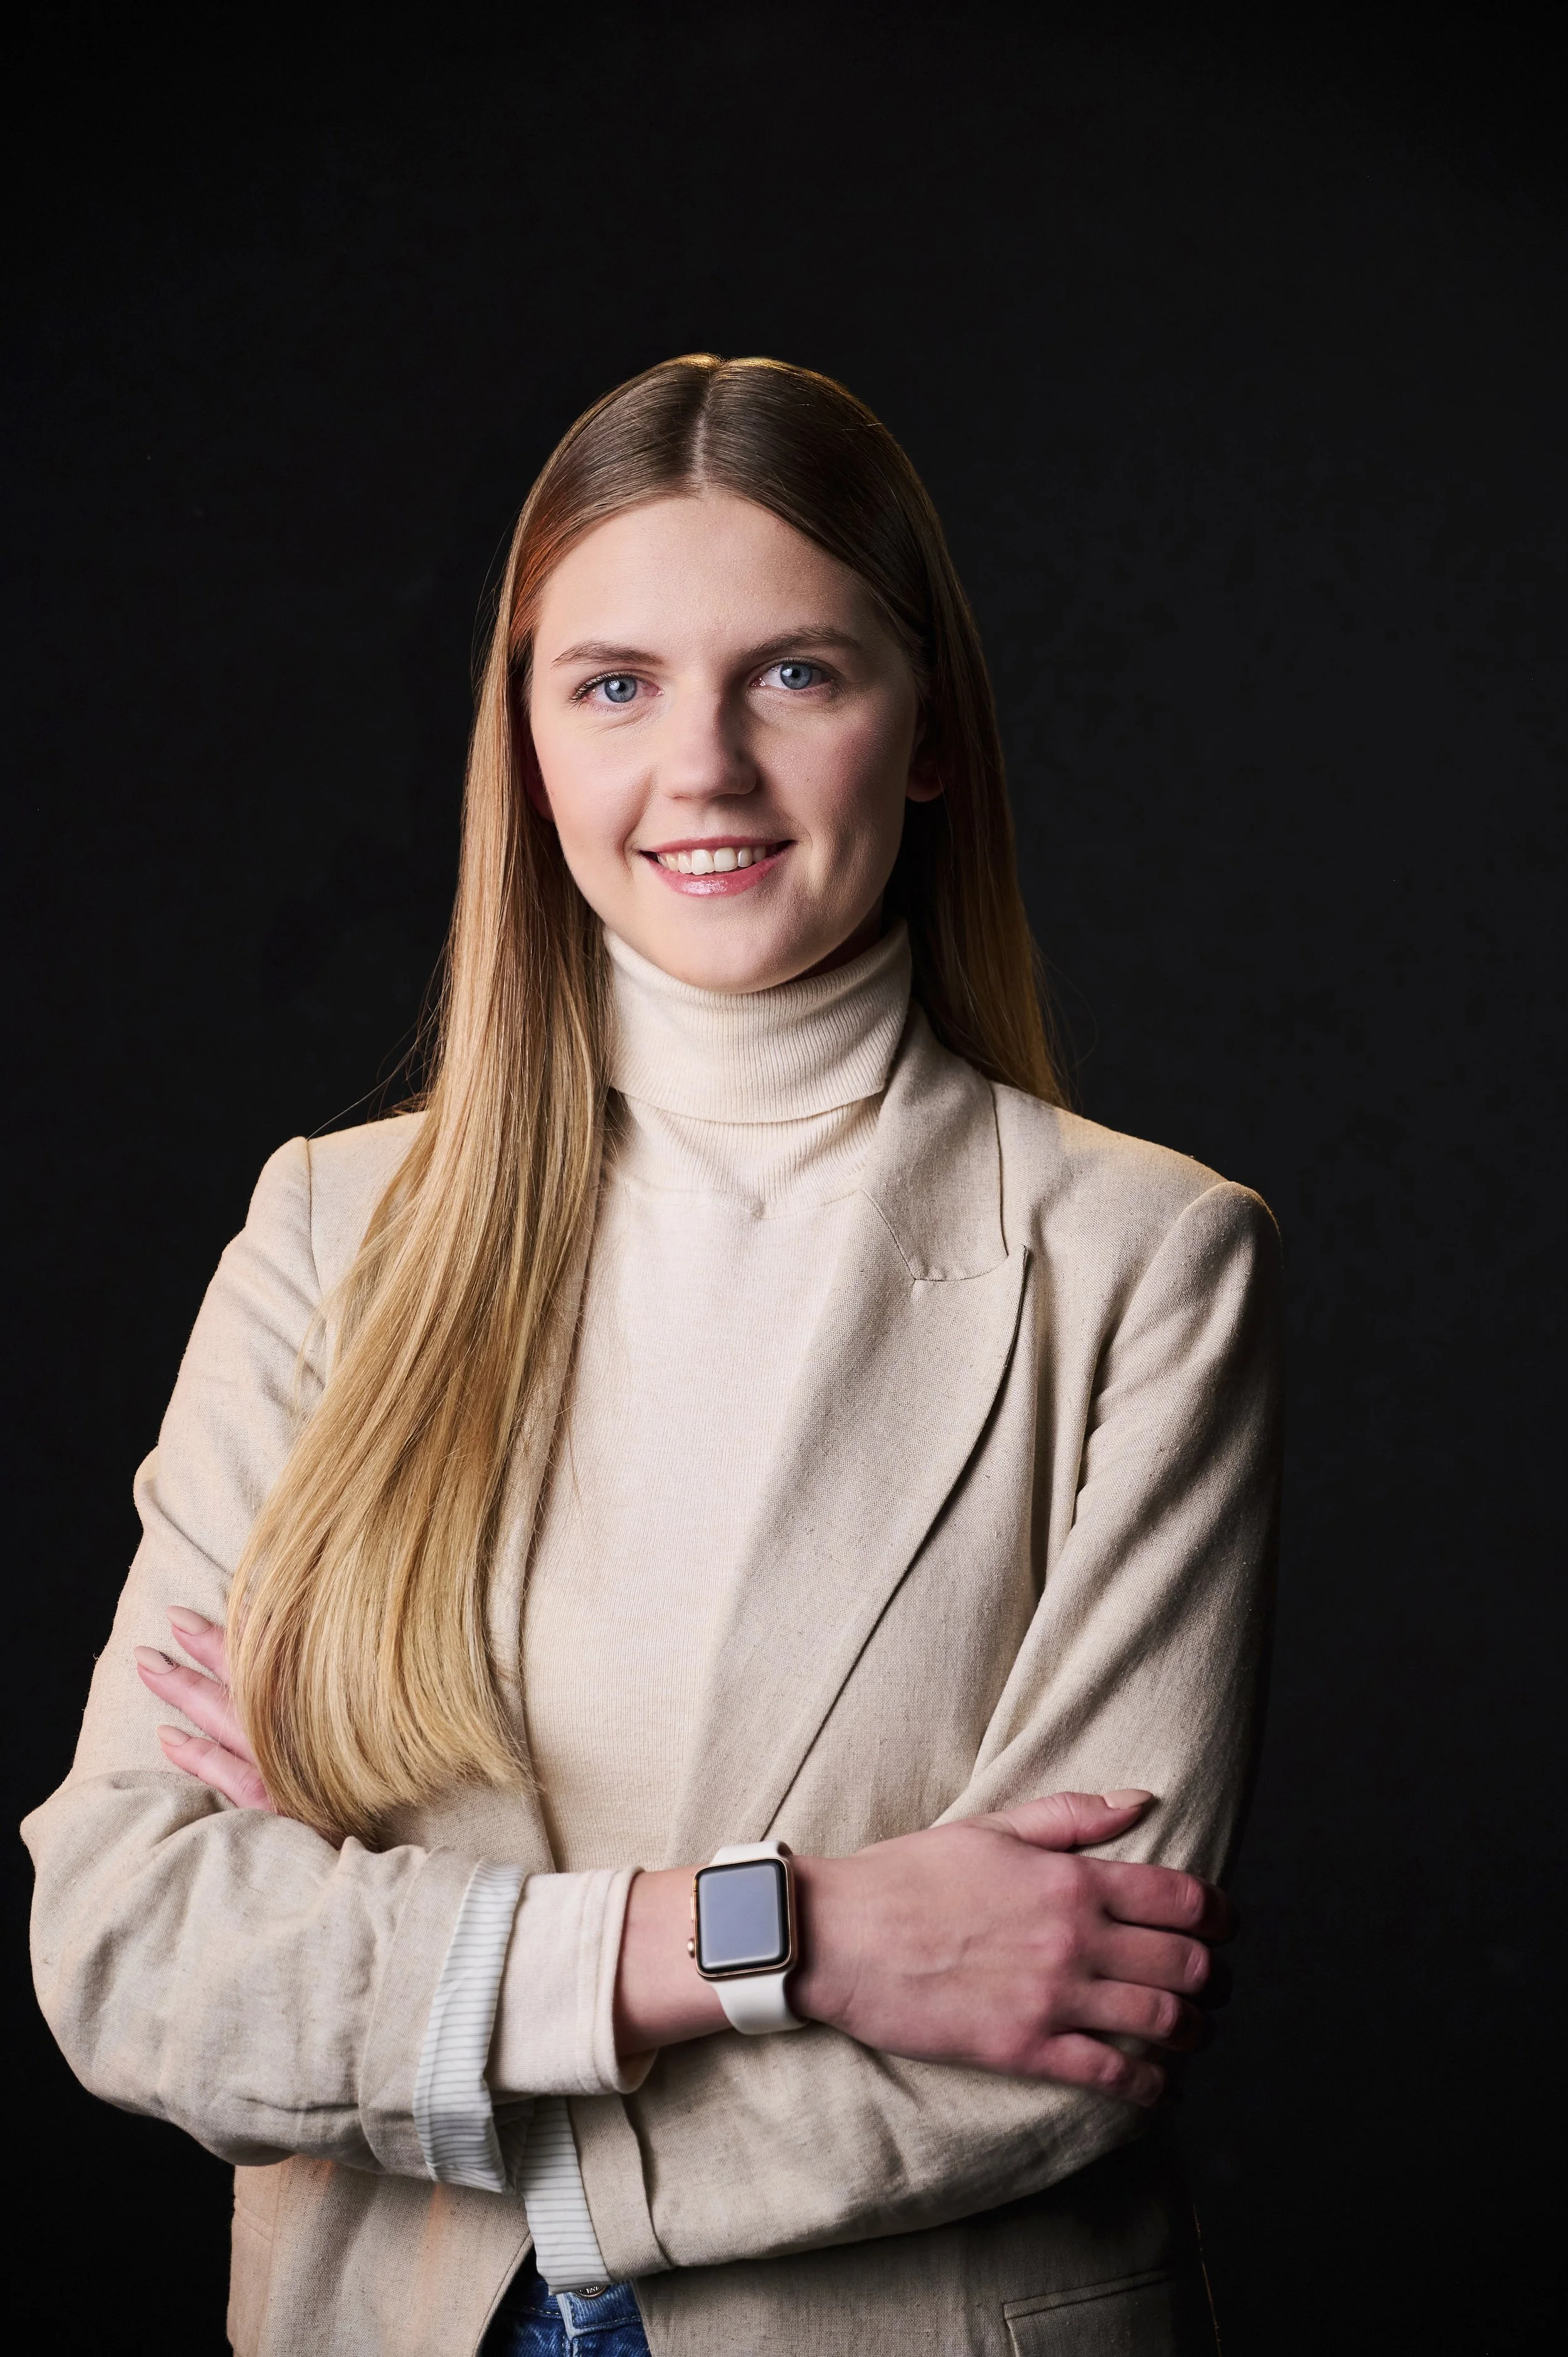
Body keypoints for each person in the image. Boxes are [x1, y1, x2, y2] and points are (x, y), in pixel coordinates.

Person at [24, 355, 1281, 2357]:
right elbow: (135, 1952)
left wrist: (417, 2031)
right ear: (521, 742)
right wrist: (791, 1935)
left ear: (928, 725)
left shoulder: (1142, 1263)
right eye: (608, 683)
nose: (697, 766)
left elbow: (1064, 2015)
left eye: (793, 673)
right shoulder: (328, 1236)